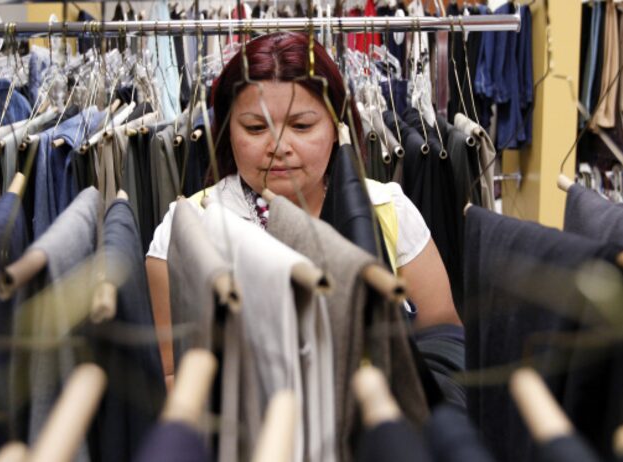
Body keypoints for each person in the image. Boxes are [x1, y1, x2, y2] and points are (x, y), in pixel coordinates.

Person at [146, 32, 461, 386]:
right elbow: (171, 374)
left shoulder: (388, 210)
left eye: (301, 126)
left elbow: (443, 343)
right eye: (255, 127)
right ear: (226, 133)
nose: (279, 147)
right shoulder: (187, 228)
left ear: (336, 125)